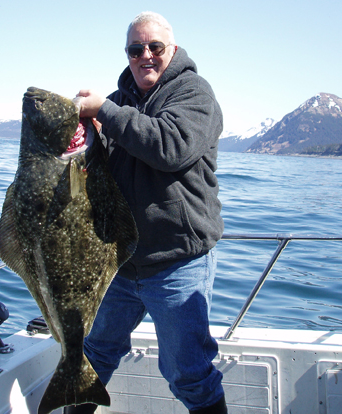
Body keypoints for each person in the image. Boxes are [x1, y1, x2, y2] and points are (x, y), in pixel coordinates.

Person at [68, 11, 227, 414]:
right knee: (91, 356)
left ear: (171, 49)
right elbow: (100, 170)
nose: (145, 56)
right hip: (120, 263)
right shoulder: (120, 103)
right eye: (135, 49)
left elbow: (169, 147)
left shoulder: (194, 94)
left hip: (177, 263)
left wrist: (104, 111)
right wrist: (82, 142)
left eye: (154, 47)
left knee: (188, 372)